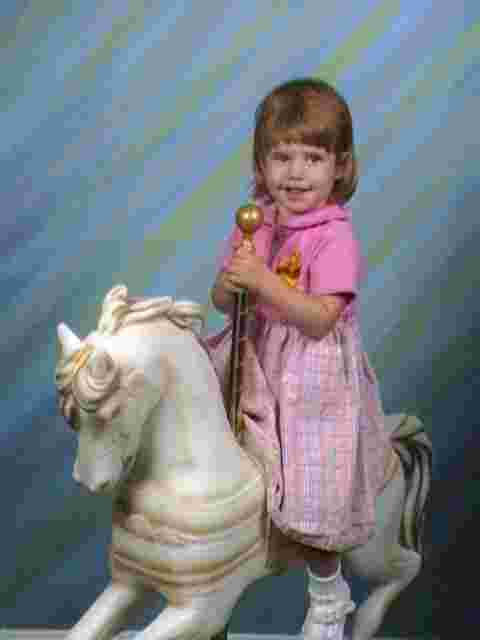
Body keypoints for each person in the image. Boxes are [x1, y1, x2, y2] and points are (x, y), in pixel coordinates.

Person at [207, 78, 393, 640]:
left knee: (314, 478)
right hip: (258, 355)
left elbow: (319, 318)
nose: (295, 172)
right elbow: (223, 301)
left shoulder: (334, 236)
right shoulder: (256, 222)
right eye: (281, 157)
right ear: (261, 165)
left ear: (339, 167)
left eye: (312, 158)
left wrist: (263, 281)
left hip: (312, 374)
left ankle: (328, 594)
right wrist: (232, 282)